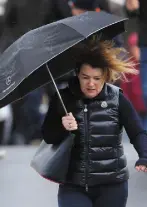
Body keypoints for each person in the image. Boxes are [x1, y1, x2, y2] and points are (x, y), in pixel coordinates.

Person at [42, 39, 147, 207]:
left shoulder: (117, 98)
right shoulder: (63, 99)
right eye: (85, 77)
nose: (91, 84)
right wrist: (62, 126)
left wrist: (144, 156)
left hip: (112, 185)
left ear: (105, 76)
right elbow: (48, 136)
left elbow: (137, 132)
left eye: (97, 78)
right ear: (77, 74)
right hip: (73, 185)